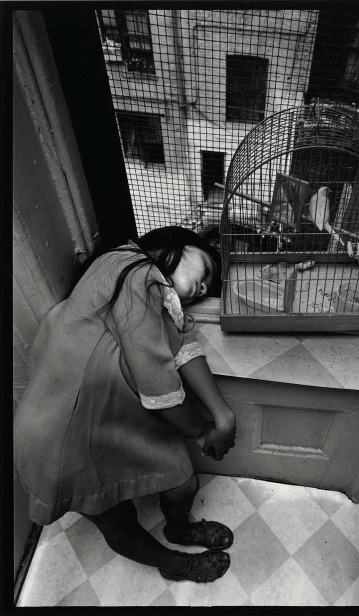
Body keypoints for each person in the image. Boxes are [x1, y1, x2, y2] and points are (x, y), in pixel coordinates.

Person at [14, 226, 237, 583]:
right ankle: (174, 563)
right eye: (206, 271)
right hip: (58, 437)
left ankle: (178, 530)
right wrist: (202, 432)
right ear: (179, 244)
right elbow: (157, 383)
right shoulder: (132, 267)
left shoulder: (147, 290)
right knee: (117, 521)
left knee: (182, 482)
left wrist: (222, 416)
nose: (205, 287)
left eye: (209, 287)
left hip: (101, 421)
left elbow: (178, 345)